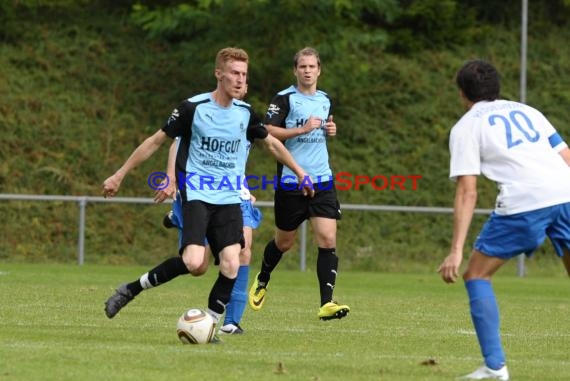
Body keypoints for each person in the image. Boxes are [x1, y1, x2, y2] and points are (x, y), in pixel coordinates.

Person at [102, 47, 314, 343]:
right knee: (193, 262)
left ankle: (210, 325)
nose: (240, 80)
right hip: (197, 195)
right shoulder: (193, 108)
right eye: (234, 74)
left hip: (228, 199)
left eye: (244, 75)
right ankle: (131, 289)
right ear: (219, 74)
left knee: (232, 261)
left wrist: (300, 172)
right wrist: (120, 174)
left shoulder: (245, 113)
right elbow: (156, 141)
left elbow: (272, 145)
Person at [437, 59, 570, 380]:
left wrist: (455, 249)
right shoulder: (528, 111)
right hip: (566, 193)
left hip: (525, 201)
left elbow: (468, 192)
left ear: (462, 93)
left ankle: (495, 367)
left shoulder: (466, 126)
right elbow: (566, 157)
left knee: (476, 276)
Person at [248, 47, 350, 321]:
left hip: (322, 180)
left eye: (312, 66)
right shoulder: (284, 99)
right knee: (284, 242)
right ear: (295, 70)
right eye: (302, 66)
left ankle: (326, 303)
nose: (307, 70)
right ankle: (263, 277)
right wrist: (301, 129)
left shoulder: (326, 99)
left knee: (328, 240)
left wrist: (331, 130)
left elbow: (324, 130)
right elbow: (267, 132)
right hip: (291, 181)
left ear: (319, 70)